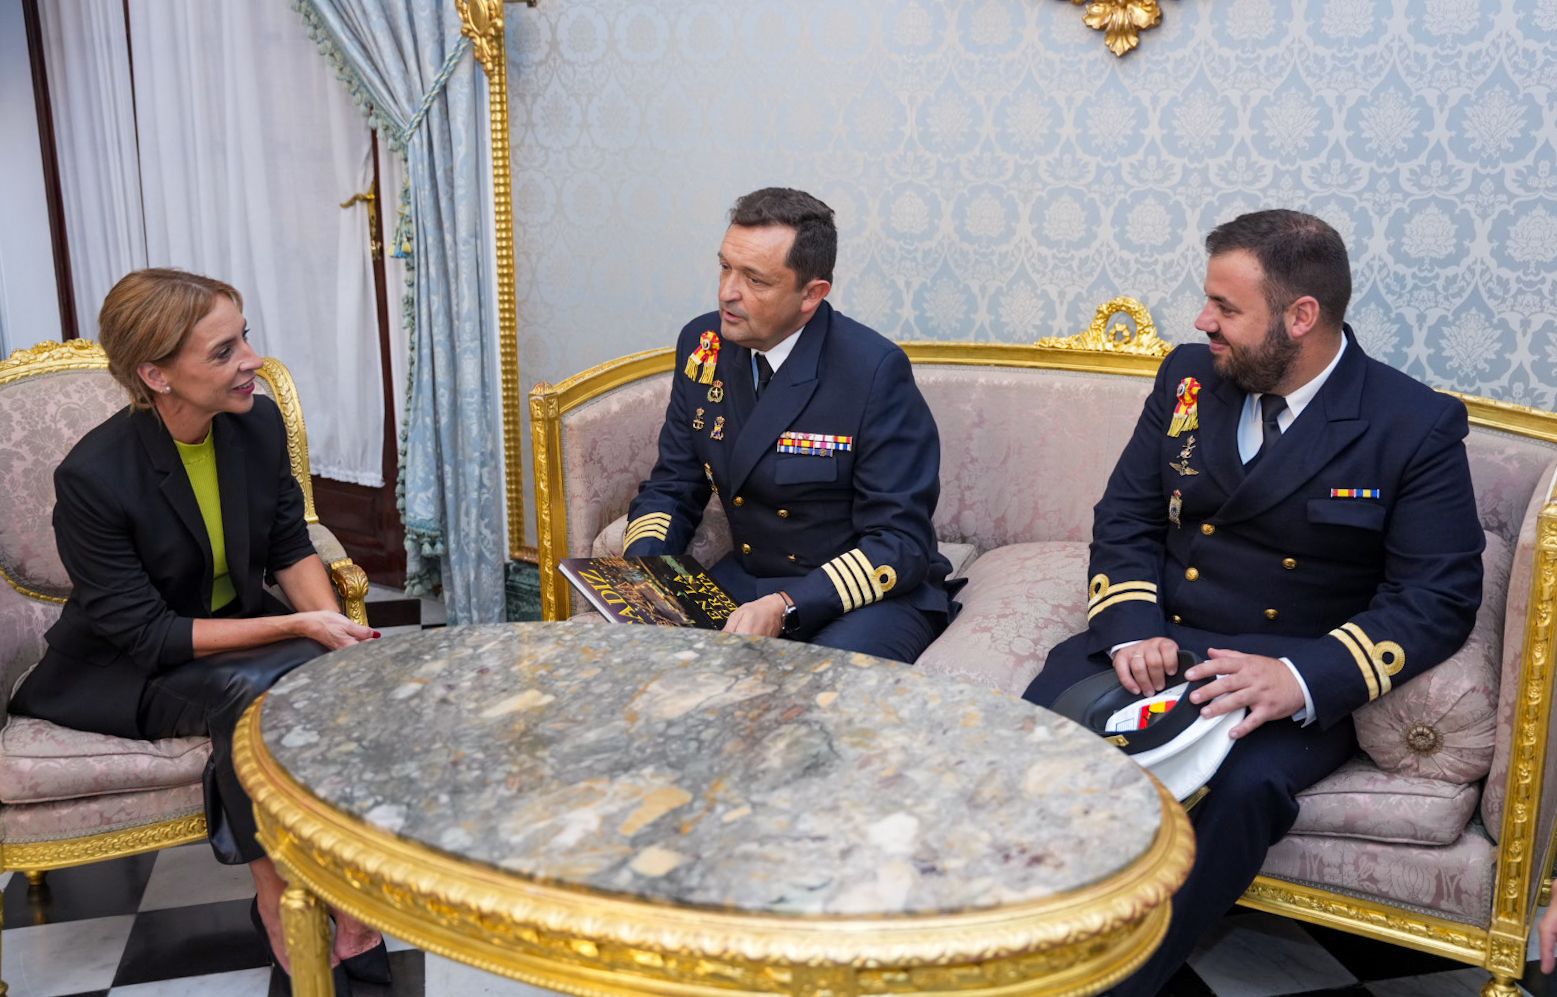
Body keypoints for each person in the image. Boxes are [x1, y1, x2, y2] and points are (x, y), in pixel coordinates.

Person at [1021, 210, 1484, 995]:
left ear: (1299, 317)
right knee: (1034, 740)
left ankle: (1104, 983)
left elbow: (1437, 595)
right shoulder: (1187, 377)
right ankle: (987, 946)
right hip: (1158, 640)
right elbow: (1125, 517)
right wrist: (1131, 626)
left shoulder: (1410, 423)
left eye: (1225, 308)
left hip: (1282, 675)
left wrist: (1300, 678)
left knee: (1238, 793)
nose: (1203, 321)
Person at [10, 269, 390, 989]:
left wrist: (332, 631)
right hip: (122, 667)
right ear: (156, 374)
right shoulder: (93, 476)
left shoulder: (257, 423)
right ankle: (279, 904)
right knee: (256, 701)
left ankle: (341, 883)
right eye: (222, 351)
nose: (250, 358)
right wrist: (301, 624)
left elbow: (289, 546)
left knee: (336, 677)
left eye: (243, 336)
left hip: (228, 633)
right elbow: (148, 634)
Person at [624, 187, 952, 663]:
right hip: (751, 579)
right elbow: (674, 485)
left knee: (814, 700)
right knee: (663, 675)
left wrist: (787, 604)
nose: (727, 292)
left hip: (865, 598)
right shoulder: (703, 344)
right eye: (725, 267)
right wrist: (643, 572)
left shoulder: (873, 371)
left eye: (755, 280)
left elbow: (900, 543)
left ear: (811, 295)